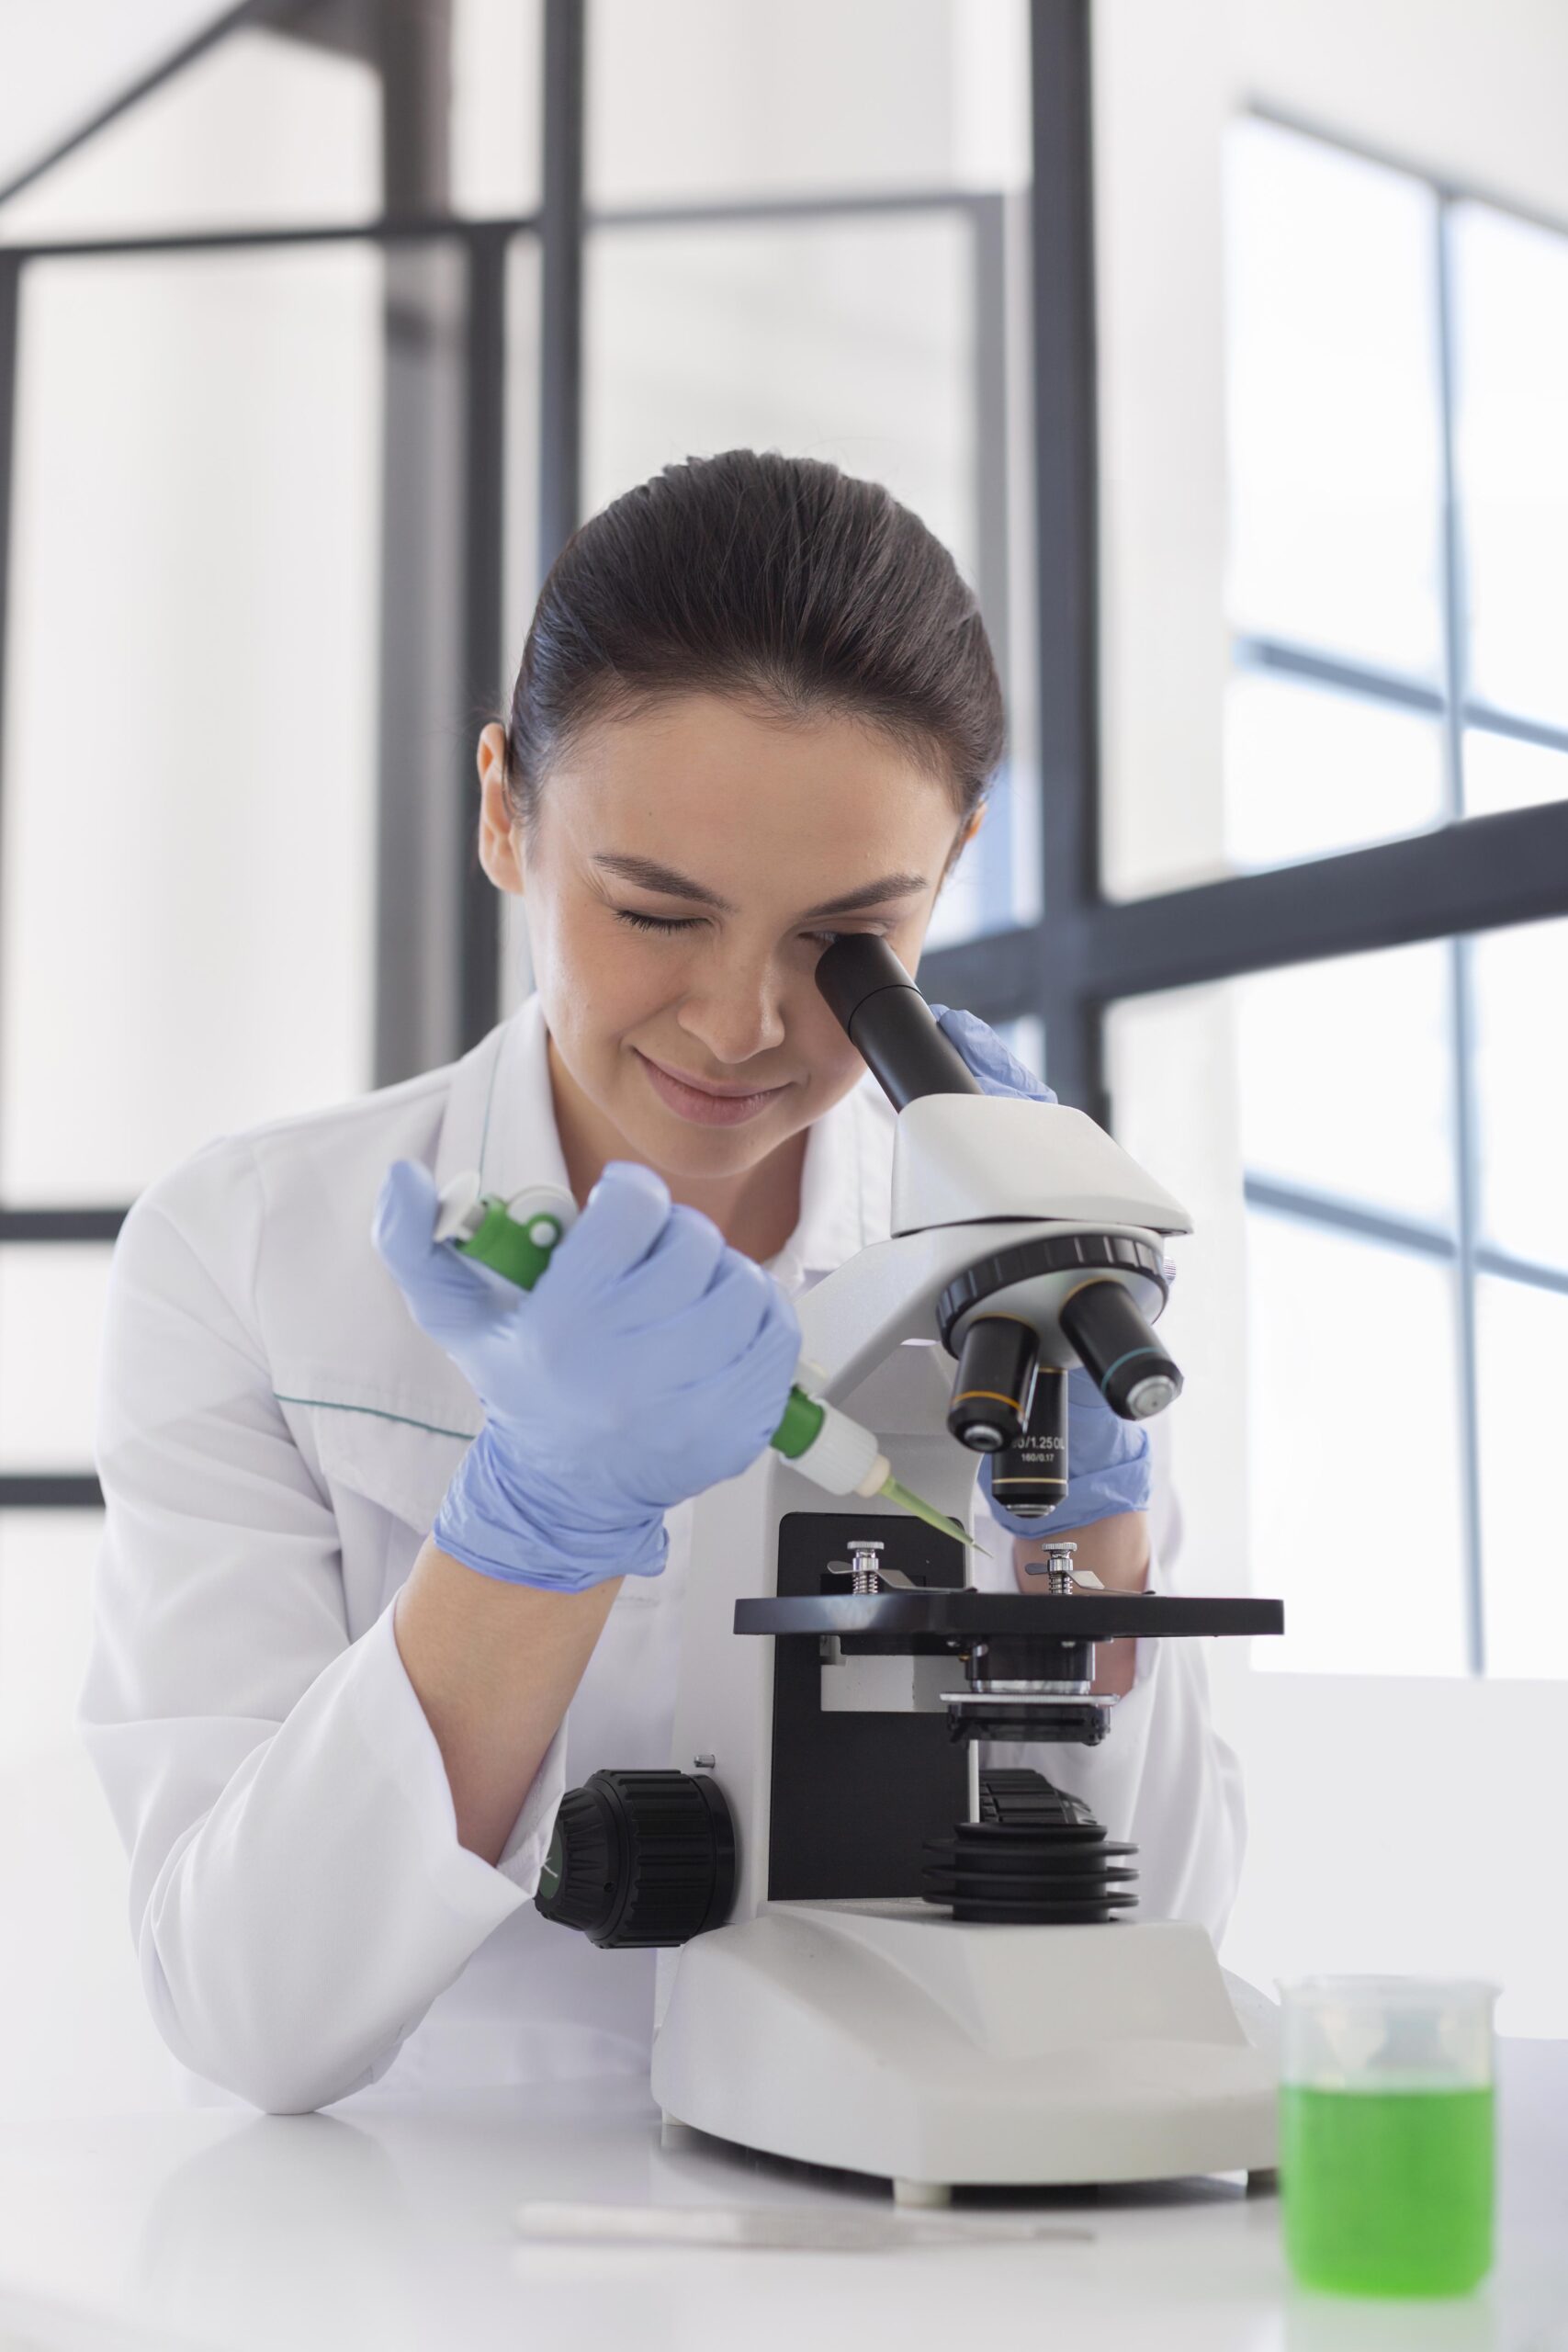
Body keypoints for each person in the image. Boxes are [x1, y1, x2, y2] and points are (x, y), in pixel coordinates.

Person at [82, 451, 1243, 2116]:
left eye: (847, 942)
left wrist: (1088, 1542)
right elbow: (256, 2014)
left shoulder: (1019, 1265)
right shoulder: (251, 1253)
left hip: (896, 2220)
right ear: (504, 809)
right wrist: (535, 1522)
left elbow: (1167, 1937)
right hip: (410, 2237)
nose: (739, 1024)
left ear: (955, 863)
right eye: (655, 912)